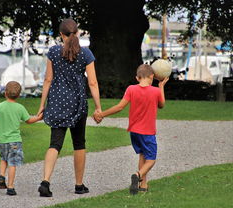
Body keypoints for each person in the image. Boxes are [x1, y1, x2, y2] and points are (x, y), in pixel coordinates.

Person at [36, 18, 101, 197]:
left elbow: (48, 79)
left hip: (57, 103)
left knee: (54, 143)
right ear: (77, 33)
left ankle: (45, 181)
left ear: (60, 35)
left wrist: (42, 105)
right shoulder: (86, 53)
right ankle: (79, 185)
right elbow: (93, 82)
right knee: (79, 143)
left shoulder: (54, 51)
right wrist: (98, 107)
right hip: (78, 104)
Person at [94, 64, 169, 195]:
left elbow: (119, 107)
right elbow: (162, 105)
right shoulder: (155, 91)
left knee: (142, 155)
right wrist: (161, 87)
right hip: (148, 132)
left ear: (137, 77)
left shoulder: (131, 89)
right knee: (151, 160)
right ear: (152, 76)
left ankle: (143, 185)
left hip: (134, 131)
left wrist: (101, 114)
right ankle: (137, 175)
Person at [0, 81, 43, 196]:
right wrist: (39, 118)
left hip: (1, 140)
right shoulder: (19, 108)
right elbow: (28, 120)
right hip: (14, 141)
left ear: (5, 93)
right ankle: (10, 187)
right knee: (12, 163)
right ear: (19, 95)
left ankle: (1, 176)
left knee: (3, 159)